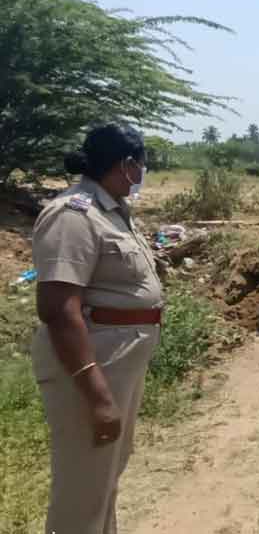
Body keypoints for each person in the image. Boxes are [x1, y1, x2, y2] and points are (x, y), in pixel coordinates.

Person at [31, 124, 163, 534]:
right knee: (83, 489)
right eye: (142, 163)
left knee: (104, 479)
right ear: (126, 165)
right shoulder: (73, 215)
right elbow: (58, 309)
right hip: (94, 368)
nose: (144, 172)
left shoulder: (112, 211)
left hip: (118, 363)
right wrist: (98, 395)